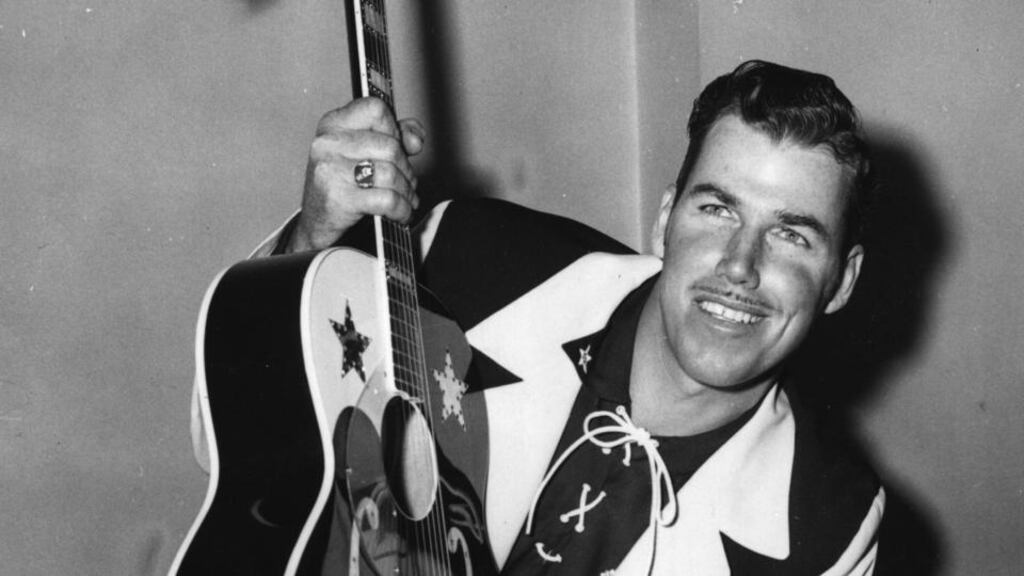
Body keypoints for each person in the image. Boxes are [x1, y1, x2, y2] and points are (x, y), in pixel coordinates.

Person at [195, 60, 885, 574]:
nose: (739, 265)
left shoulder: (830, 524)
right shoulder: (469, 258)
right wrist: (315, 239)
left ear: (843, 281)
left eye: (791, 235)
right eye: (718, 209)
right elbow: (241, 447)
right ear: (666, 220)